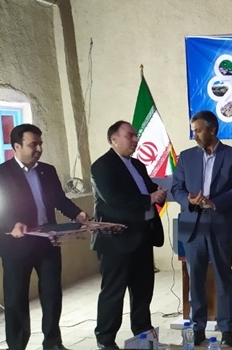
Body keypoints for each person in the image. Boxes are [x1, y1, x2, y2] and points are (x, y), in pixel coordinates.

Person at [0, 123, 89, 350]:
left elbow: (59, 199)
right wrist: (12, 223)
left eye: (40, 144)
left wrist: (78, 213)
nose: (39, 149)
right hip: (16, 244)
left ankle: (53, 342)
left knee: (52, 295)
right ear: (17, 146)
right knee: (16, 300)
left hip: (47, 241)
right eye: (33, 144)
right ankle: (17, 345)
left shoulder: (47, 170)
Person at [171, 111, 232, 347]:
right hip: (193, 226)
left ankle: (226, 329)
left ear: (212, 130)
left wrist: (214, 203)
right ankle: (198, 328)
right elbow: (176, 188)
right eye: (193, 130)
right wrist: (188, 200)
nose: (194, 134)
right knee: (196, 281)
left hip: (219, 224)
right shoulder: (186, 157)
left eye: (198, 130)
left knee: (223, 279)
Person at [91, 121, 167, 350]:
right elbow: (115, 200)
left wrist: (159, 192)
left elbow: (148, 188)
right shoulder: (102, 166)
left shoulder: (137, 164)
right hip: (116, 240)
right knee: (113, 292)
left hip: (142, 236)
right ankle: (105, 339)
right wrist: (150, 198)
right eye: (130, 135)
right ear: (113, 139)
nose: (135, 140)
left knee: (143, 290)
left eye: (136, 135)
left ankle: (143, 334)